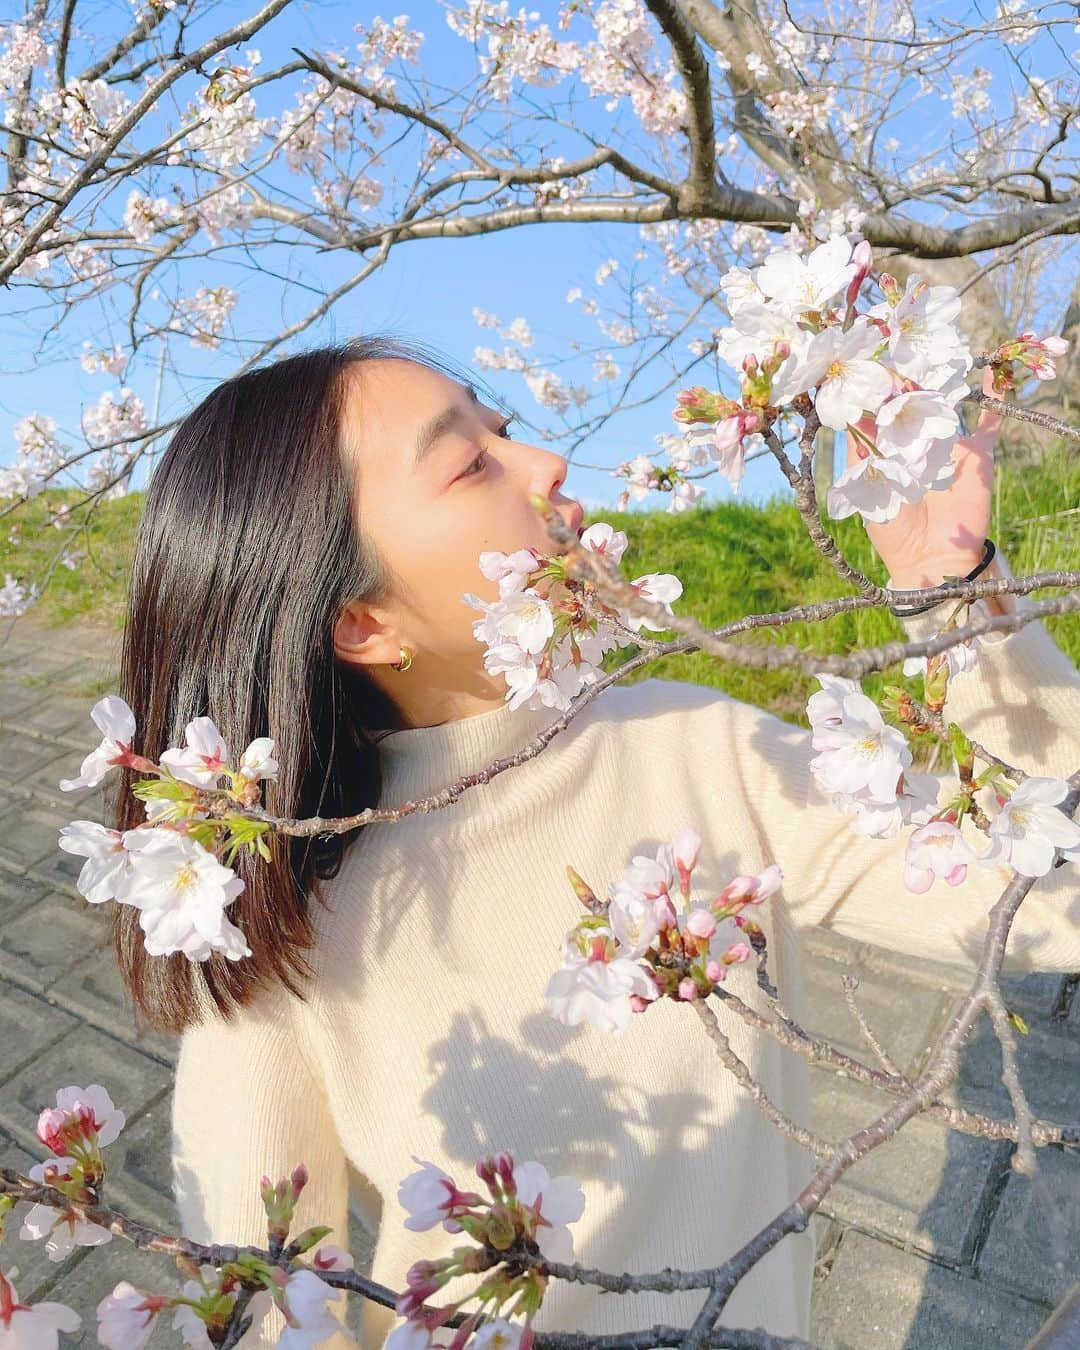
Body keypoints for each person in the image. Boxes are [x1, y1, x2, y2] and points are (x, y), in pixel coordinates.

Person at [109, 335, 1080, 1348]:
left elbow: (1052, 900)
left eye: (503, 430)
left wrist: (958, 604)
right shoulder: (274, 906)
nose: (544, 463)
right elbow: (263, 1308)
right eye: (470, 462)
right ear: (362, 623)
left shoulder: (695, 744)